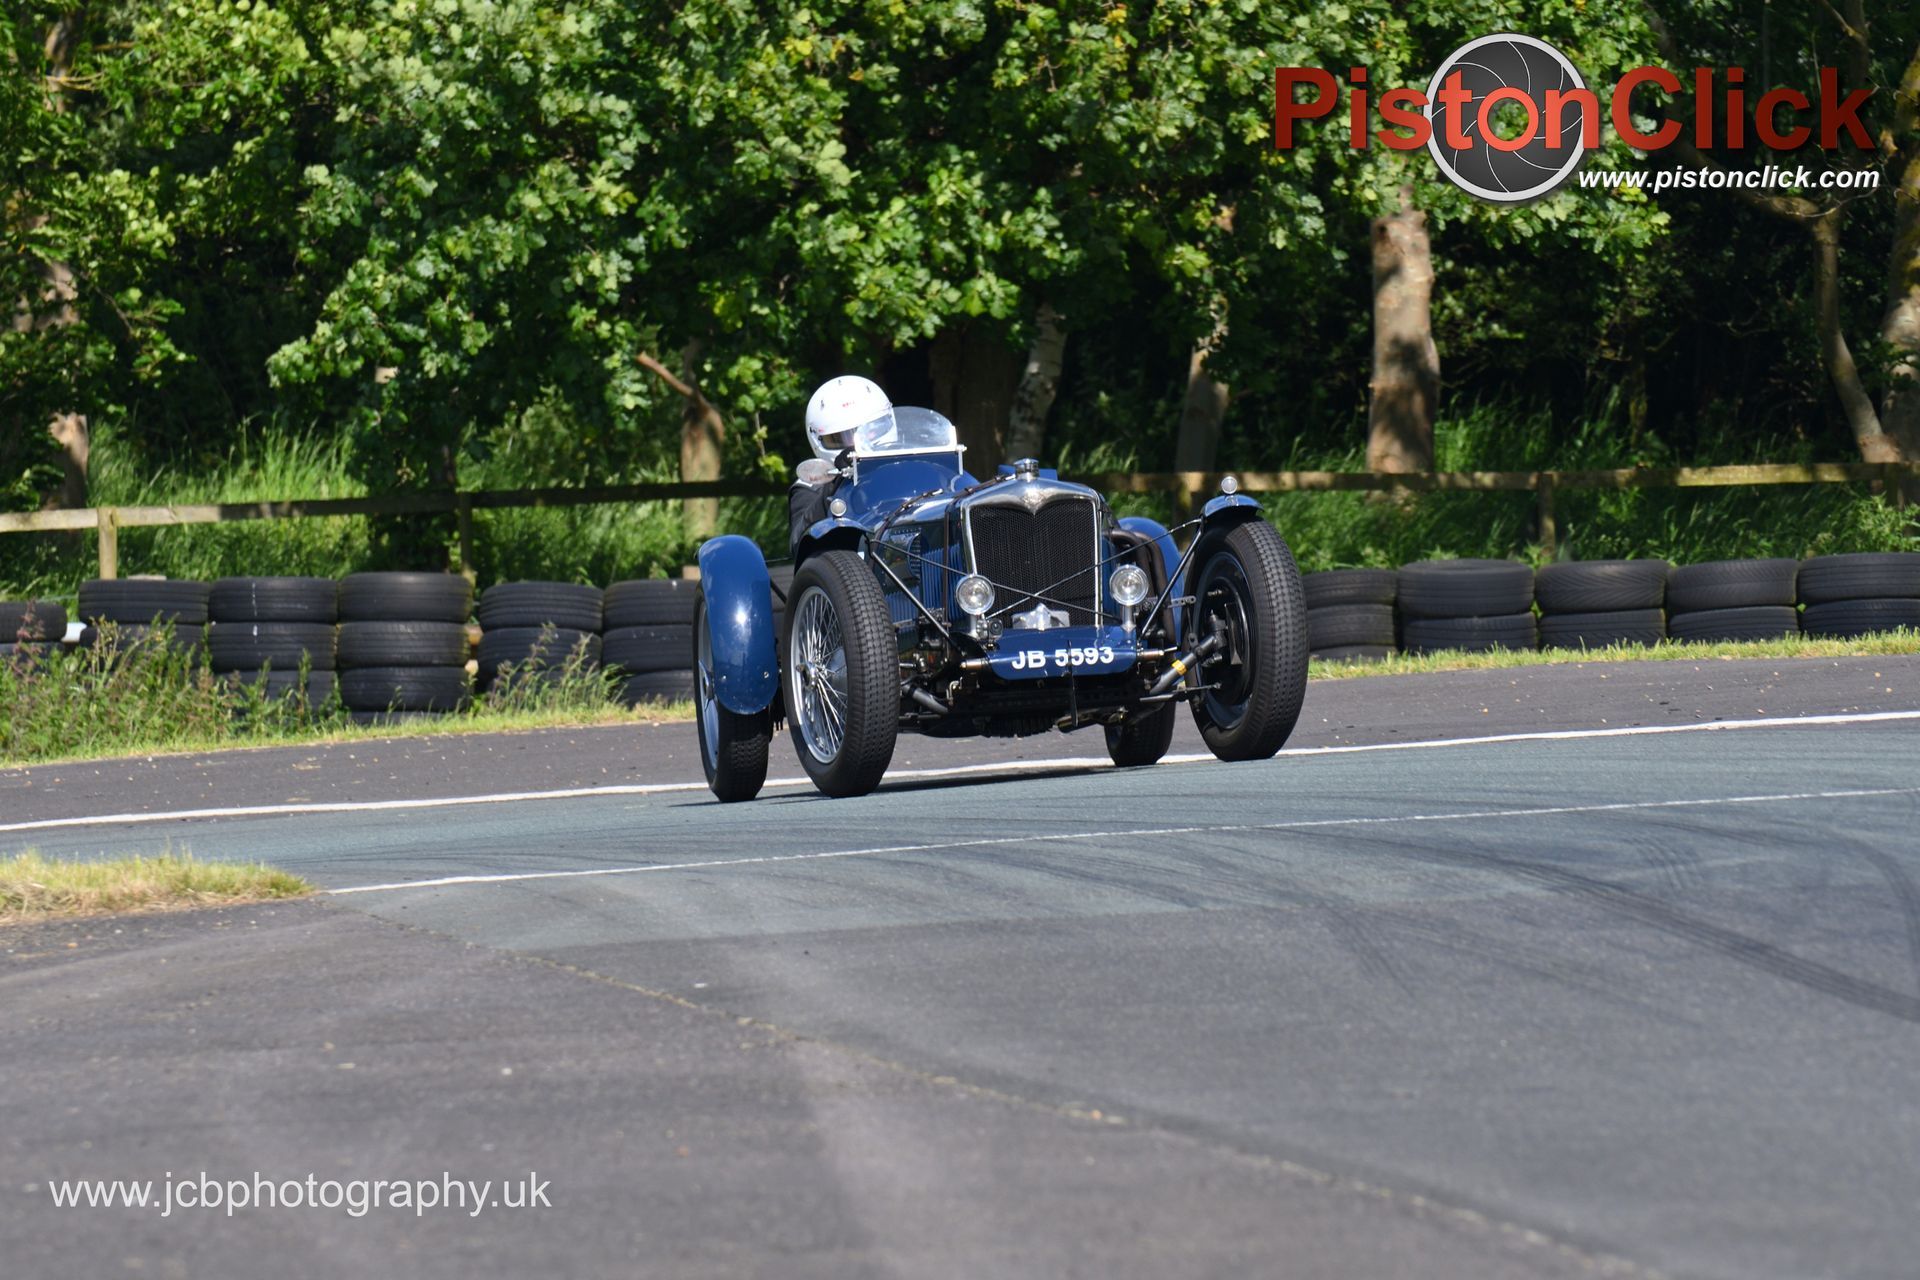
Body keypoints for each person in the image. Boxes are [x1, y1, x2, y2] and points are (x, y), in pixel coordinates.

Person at [789, 375, 890, 555]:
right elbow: (798, 542)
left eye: (870, 431)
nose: (856, 444)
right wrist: (835, 484)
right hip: (854, 568)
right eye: (839, 438)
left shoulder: (906, 463)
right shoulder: (811, 484)